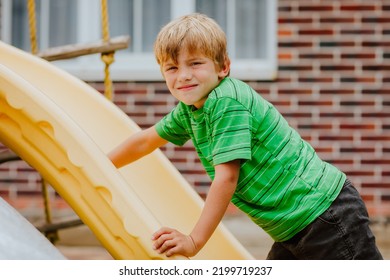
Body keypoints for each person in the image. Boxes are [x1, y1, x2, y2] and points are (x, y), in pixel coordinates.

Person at [108, 13, 383, 260]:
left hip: (325, 216)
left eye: (195, 63)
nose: (183, 76)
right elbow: (146, 140)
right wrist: (103, 163)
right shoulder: (190, 110)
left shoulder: (227, 102)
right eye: (172, 68)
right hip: (293, 226)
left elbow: (226, 177)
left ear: (223, 67)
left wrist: (194, 241)